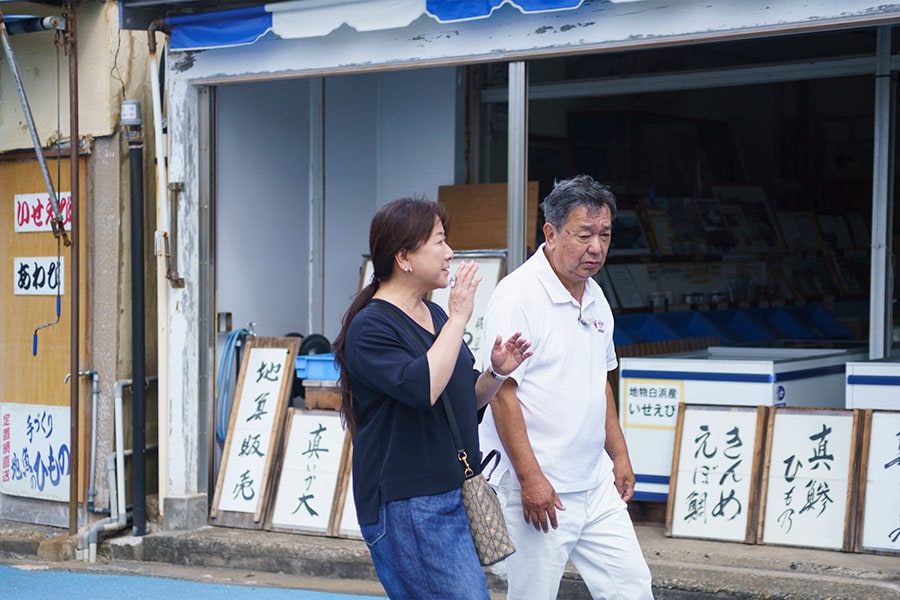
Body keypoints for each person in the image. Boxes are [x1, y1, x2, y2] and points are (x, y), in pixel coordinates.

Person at [333, 196, 532, 599]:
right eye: (439, 242)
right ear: (404, 257)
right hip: (409, 503)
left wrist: (495, 372)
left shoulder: (434, 315)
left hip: (449, 490)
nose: (450, 253)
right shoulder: (371, 327)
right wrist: (459, 316)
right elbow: (423, 389)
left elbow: (461, 399)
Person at [480, 175, 654, 600]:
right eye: (583, 235)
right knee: (533, 594)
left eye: (605, 235)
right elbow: (503, 395)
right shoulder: (517, 295)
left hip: (594, 482)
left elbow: (600, 382)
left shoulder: (596, 297)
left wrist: (620, 455)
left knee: (632, 587)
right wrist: (531, 479)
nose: (596, 247)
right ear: (551, 233)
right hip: (540, 486)